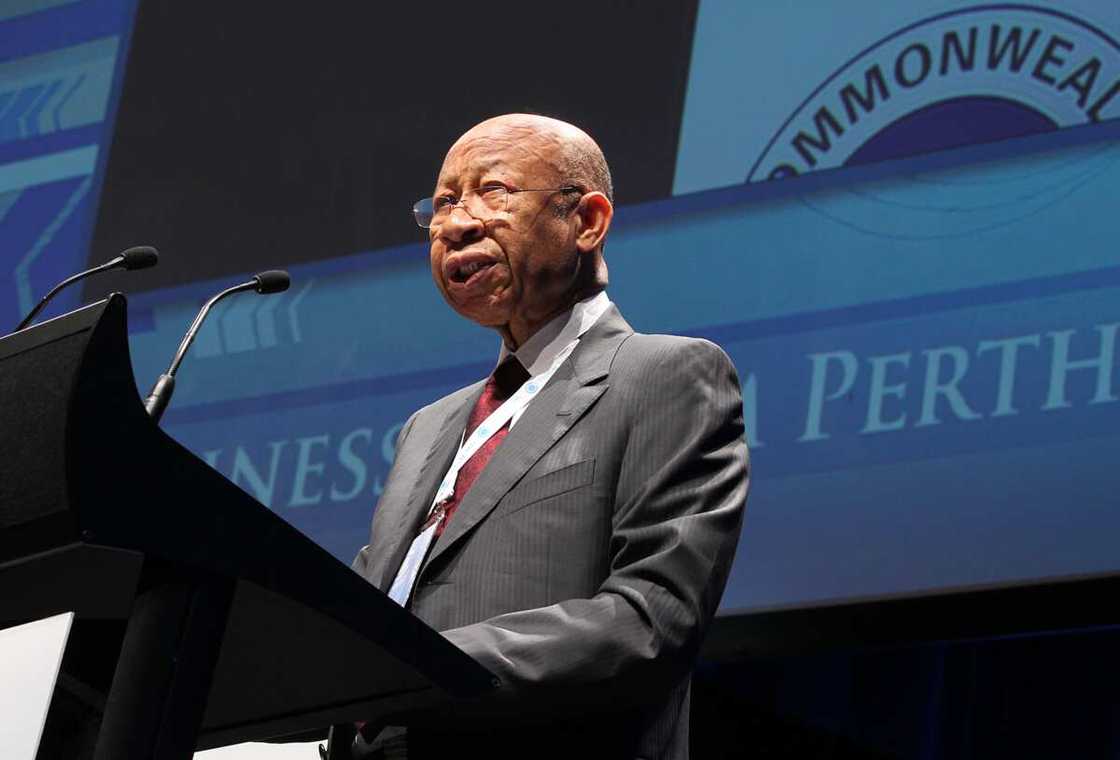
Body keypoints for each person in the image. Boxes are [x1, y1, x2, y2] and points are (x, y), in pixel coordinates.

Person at [350, 114, 749, 759]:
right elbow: (362, 613)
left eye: (494, 192)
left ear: (587, 222)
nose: (455, 223)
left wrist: (414, 669)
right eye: (444, 203)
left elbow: (651, 618)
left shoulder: (665, 375)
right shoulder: (430, 428)